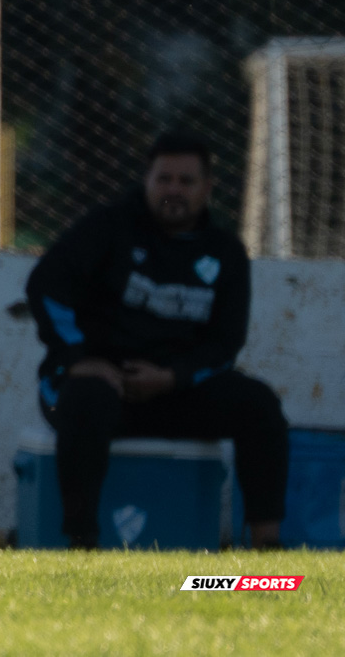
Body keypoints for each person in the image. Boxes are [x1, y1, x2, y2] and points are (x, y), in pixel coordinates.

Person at [25, 130, 288, 549]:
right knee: (84, 400)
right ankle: (80, 544)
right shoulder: (107, 228)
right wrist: (78, 359)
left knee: (259, 405)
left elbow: (225, 343)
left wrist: (172, 377)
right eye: (164, 179)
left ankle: (267, 547)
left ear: (207, 188)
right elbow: (46, 286)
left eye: (186, 181)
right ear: (146, 180)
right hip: (100, 385)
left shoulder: (226, 253)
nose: (174, 190)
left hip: (175, 390)